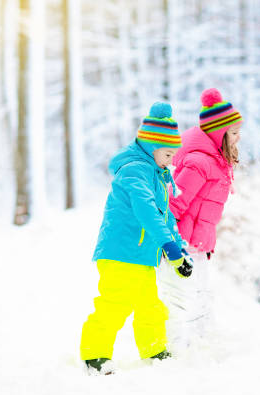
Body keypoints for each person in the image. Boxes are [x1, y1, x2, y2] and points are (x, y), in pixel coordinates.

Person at [80, 102, 193, 375]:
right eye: (168, 154)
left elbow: (165, 217)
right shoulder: (134, 171)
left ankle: (154, 351)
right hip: (121, 252)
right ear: (152, 147)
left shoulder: (156, 173)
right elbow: (146, 212)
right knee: (115, 304)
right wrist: (168, 247)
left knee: (150, 306)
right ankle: (94, 356)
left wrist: (179, 250)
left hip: (141, 255)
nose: (171, 161)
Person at [160, 88, 242, 348]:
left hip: (198, 243)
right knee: (179, 298)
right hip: (181, 244)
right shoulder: (199, 162)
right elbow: (174, 204)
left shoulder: (216, 161)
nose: (240, 137)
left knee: (201, 295)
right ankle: (173, 350)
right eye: (235, 132)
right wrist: (170, 245)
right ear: (220, 134)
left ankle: (202, 346)